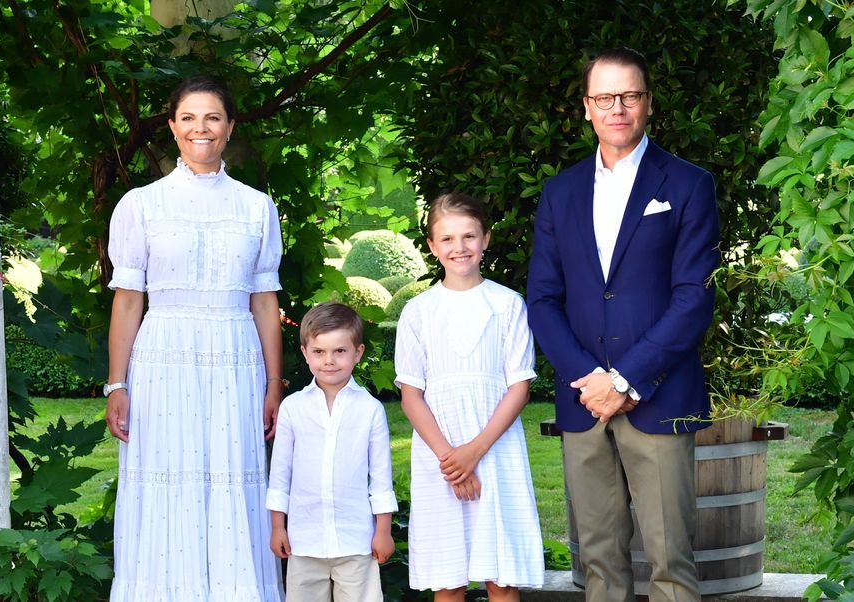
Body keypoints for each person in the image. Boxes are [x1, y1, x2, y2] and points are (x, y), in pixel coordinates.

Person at [526, 47, 720, 602]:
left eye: (629, 95)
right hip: (584, 402)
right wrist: (591, 380)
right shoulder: (559, 193)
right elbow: (542, 299)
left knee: (671, 565)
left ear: (648, 104)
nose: (617, 107)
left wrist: (627, 379)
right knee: (599, 567)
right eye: (604, 97)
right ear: (586, 107)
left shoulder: (687, 185)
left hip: (659, 397)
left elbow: (693, 298)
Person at [104, 75, 284, 600]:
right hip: (161, 358)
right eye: (189, 118)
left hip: (235, 357)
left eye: (212, 118)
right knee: (163, 482)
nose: (200, 128)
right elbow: (128, 299)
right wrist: (117, 384)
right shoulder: (141, 205)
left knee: (233, 479)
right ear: (172, 126)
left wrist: (274, 383)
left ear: (229, 128)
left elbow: (264, 299)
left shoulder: (256, 207)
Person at [395, 192, 544, 602]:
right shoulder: (418, 311)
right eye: (447, 239)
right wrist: (451, 459)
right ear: (431, 245)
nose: (458, 248)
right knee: (449, 579)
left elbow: (519, 388)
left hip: (494, 447)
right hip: (439, 455)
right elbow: (411, 395)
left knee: (501, 577)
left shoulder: (507, 305)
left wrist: (473, 453)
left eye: (468, 236)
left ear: (486, 239)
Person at [266, 301, 398, 601]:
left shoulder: (370, 410)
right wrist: (278, 527)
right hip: (304, 539)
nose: (329, 361)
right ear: (305, 353)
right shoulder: (293, 408)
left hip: (355, 540)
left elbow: (380, 478)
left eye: (340, 351)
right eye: (319, 351)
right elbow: (280, 474)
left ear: (358, 352)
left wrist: (383, 530)